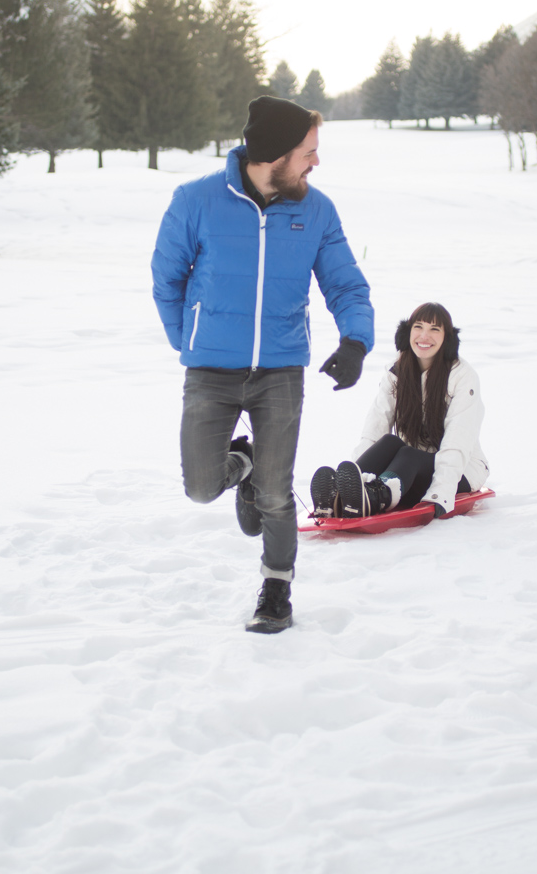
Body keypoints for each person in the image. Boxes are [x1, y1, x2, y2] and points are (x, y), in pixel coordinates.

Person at [151, 97, 374, 635]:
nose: (315, 164)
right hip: (211, 371)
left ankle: (276, 589)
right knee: (201, 487)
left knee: (276, 495)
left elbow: (344, 283)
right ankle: (241, 465)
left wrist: (355, 342)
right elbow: (167, 280)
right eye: (308, 153)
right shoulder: (196, 201)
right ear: (273, 154)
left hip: (280, 370)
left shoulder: (316, 210)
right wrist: (192, 340)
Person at [311, 302, 488, 521]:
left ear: (447, 339)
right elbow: (377, 423)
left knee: (408, 454)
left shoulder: (462, 377)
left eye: (435, 329)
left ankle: (381, 496)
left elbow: (457, 441)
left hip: (459, 471)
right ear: (408, 332)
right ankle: (340, 493)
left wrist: (441, 492)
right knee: (388, 442)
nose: (424, 336)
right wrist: (355, 476)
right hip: (408, 468)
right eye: (418, 327)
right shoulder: (397, 370)